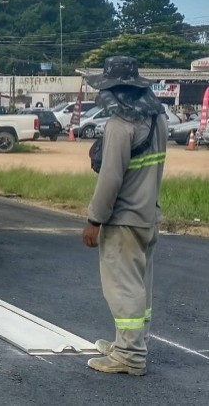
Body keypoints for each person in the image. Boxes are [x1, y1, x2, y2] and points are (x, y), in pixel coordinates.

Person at [81, 56, 167, 376]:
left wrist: (94, 220)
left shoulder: (120, 126)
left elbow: (110, 179)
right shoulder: (158, 121)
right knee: (140, 286)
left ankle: (129, 355)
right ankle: (130, 342)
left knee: (123, 288)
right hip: (149, 215)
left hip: (123, 220)